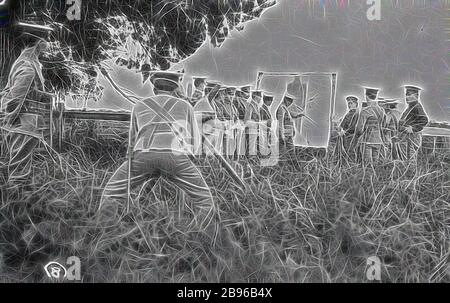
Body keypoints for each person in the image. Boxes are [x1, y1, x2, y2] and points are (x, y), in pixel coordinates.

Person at [100, 71, 215, 230]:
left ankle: (108, 232)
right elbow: (195, 144)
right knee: (205, 201)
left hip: (142, 156)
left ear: (154, 88)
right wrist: (190, 158)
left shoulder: (139, 106)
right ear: (176, 89)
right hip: (176, 157)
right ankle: (194, 235)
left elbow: (132, 142)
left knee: (110, 194)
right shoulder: (185, 106)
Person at [1, 33, 53, 191]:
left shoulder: (28, 64)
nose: (48, 43)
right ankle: (16, 207)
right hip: (24, 124)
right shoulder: (28, 67)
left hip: (26, 124)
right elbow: (14, 99)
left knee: (20, 169)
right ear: (37, 42)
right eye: (45, 39)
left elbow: (23, 93)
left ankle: (21, 203)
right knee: (19, 173)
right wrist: (6, 121)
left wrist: (44, 95)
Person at [396, 85, 429, 161]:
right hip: (406, 137)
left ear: (416, 96)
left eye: (409, 94)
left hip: (411, 137)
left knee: (410, 158)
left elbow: (424, 120)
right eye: (406, 95)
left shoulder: (417, 106)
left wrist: (413, 129)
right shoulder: (411, 107)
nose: (407, 97)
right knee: (405, 158)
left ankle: (411, 172)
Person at [354, 87, 385, 164]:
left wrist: (358, 136)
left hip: (366, 141)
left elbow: (359, 129)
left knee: (367, 166)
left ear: (367, 96)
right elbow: (383, 125)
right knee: (375, 164)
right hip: (378, 140)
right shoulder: (382, 110)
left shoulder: (365, 111)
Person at [233, 86, 250, 159]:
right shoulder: (237, 102)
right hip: (238, 125)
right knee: (238, 144)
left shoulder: (246, 103)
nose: (248, 95)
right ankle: (237, 158)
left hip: (244, 126)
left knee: (243, 144)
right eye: (247, 92)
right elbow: (237, 114)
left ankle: (241, 158)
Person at [245, 90, 262, 157]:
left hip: (255, 130)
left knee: (253, 147)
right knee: (250, 148)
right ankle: (248, 161)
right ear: (255, 97)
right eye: (260, 97)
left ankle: (250, 159)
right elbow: (247, 119)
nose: (260, 99)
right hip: (251, 130)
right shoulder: (251, 105)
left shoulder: (256, 106)